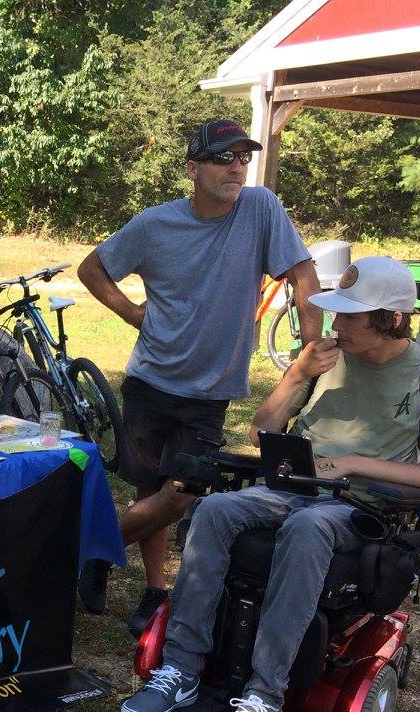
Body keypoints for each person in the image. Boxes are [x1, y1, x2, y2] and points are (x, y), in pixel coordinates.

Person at [119, 256, 420, 712]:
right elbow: (262, 432)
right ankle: (182, 669)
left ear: (392, 318)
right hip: (292, 486)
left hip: (358, 507)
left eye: (350, 316)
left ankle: (264, 696)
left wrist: (352, 464)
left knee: (308, 528)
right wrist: (296, 374)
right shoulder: (323, 357)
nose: (335, 325)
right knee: (216, 511)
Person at [76, 119, 321, 629]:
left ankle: (91, 552)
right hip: (150, 379)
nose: (236, 167)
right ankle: (154, 590)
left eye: (242, 158)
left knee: (182, 491)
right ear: (192, 168)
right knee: (149, 491)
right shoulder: (154, 226)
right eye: (222, 158)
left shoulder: (260, 209)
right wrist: (132, 313)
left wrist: (311, 342)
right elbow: (92, 268)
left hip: (209, 389)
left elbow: (302, 272)